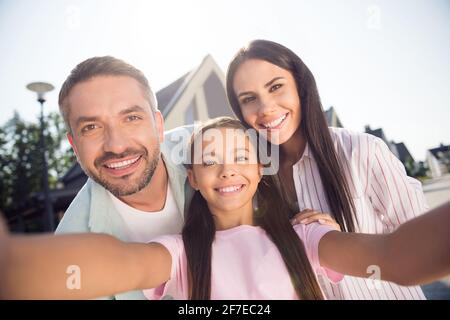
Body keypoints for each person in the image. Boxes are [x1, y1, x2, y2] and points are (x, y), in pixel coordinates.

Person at [0, 118, 449, 300]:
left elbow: (394, 257)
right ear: (192, 178)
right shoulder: (178, 253)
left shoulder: (305, 237)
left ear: (259, 170)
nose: (226, 170)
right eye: (209, 160)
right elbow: (120, 263)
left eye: (238, 156)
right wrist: (15, 264)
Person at [226, 39, 429, 299]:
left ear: (300, 85)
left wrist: (340, 244)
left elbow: (421, 244)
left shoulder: (360, 150)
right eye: (249, 99)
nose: (266, 109)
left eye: (276, 87)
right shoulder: (253, 179)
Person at [55, 56, 194, 299]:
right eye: (91, 127)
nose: (116, 146)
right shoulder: (70, 259)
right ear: (74, 146)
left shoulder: (214, 148)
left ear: (158, 125)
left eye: (131, 118)